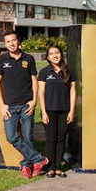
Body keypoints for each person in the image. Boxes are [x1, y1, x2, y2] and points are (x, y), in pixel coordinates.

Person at [0, 31, 48, 179]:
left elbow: (34, 81)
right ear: (5, 44)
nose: (11, 44)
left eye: (13, 40)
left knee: (28, 137)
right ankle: (39, 160)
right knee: (11, 137)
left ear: (19, 41)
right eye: (8, 41)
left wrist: (34, 101)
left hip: (26, 105)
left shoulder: (29, 59)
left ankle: (26, 165)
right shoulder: (2, 59)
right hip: (9, 106)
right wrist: (1, 104)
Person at [38, 44, 77, 178]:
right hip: (49, 110)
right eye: (52, 54)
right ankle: (50, 167)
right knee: (50, 139)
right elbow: (41, 92)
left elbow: (73, 91)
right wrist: (43, 112)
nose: (55, 55)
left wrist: (71, 111)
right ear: (48, 57)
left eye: (57, 53)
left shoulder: (69, 71)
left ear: (61, 54)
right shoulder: (44, 72)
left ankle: (58, 167)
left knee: (61, 139)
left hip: (65, 111)